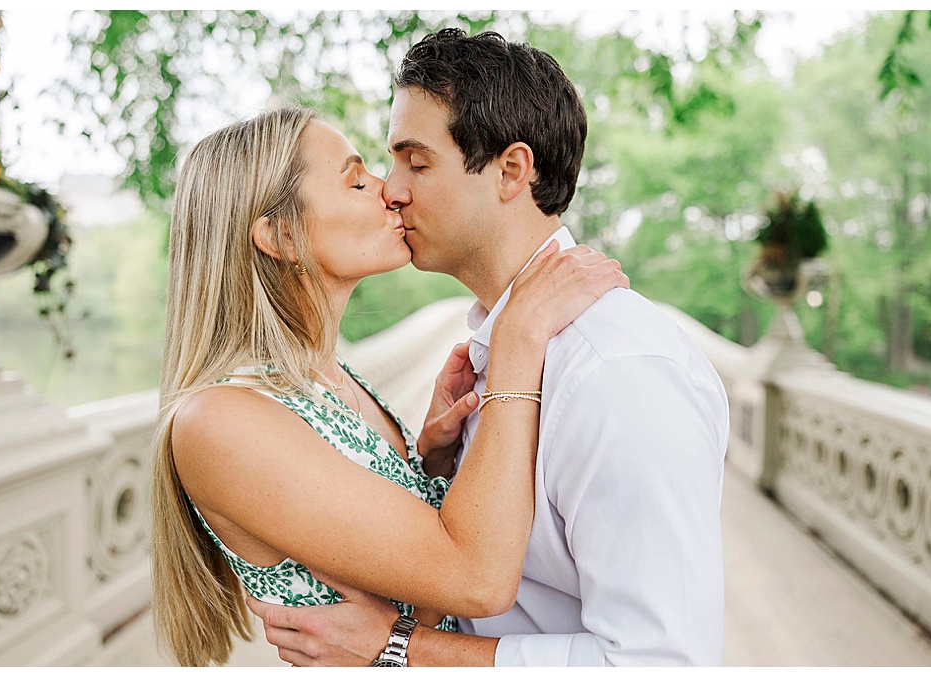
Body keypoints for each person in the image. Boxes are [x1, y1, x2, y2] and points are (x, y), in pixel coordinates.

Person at [243, 29, 731, 667]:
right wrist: (436, 472)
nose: (391, 190)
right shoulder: (499, 352)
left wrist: (398, 647)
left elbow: (661, 662)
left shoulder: (617, 373)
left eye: (417, 163)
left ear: (511, 171)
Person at [152, 107, 626, 667]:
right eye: (357, 181)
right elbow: (476, 579)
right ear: (280, 235)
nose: (391, 191)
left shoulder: (328, 380)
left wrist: (425, 463)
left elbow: (403, 584)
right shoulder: (221, 420)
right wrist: (518, 341)